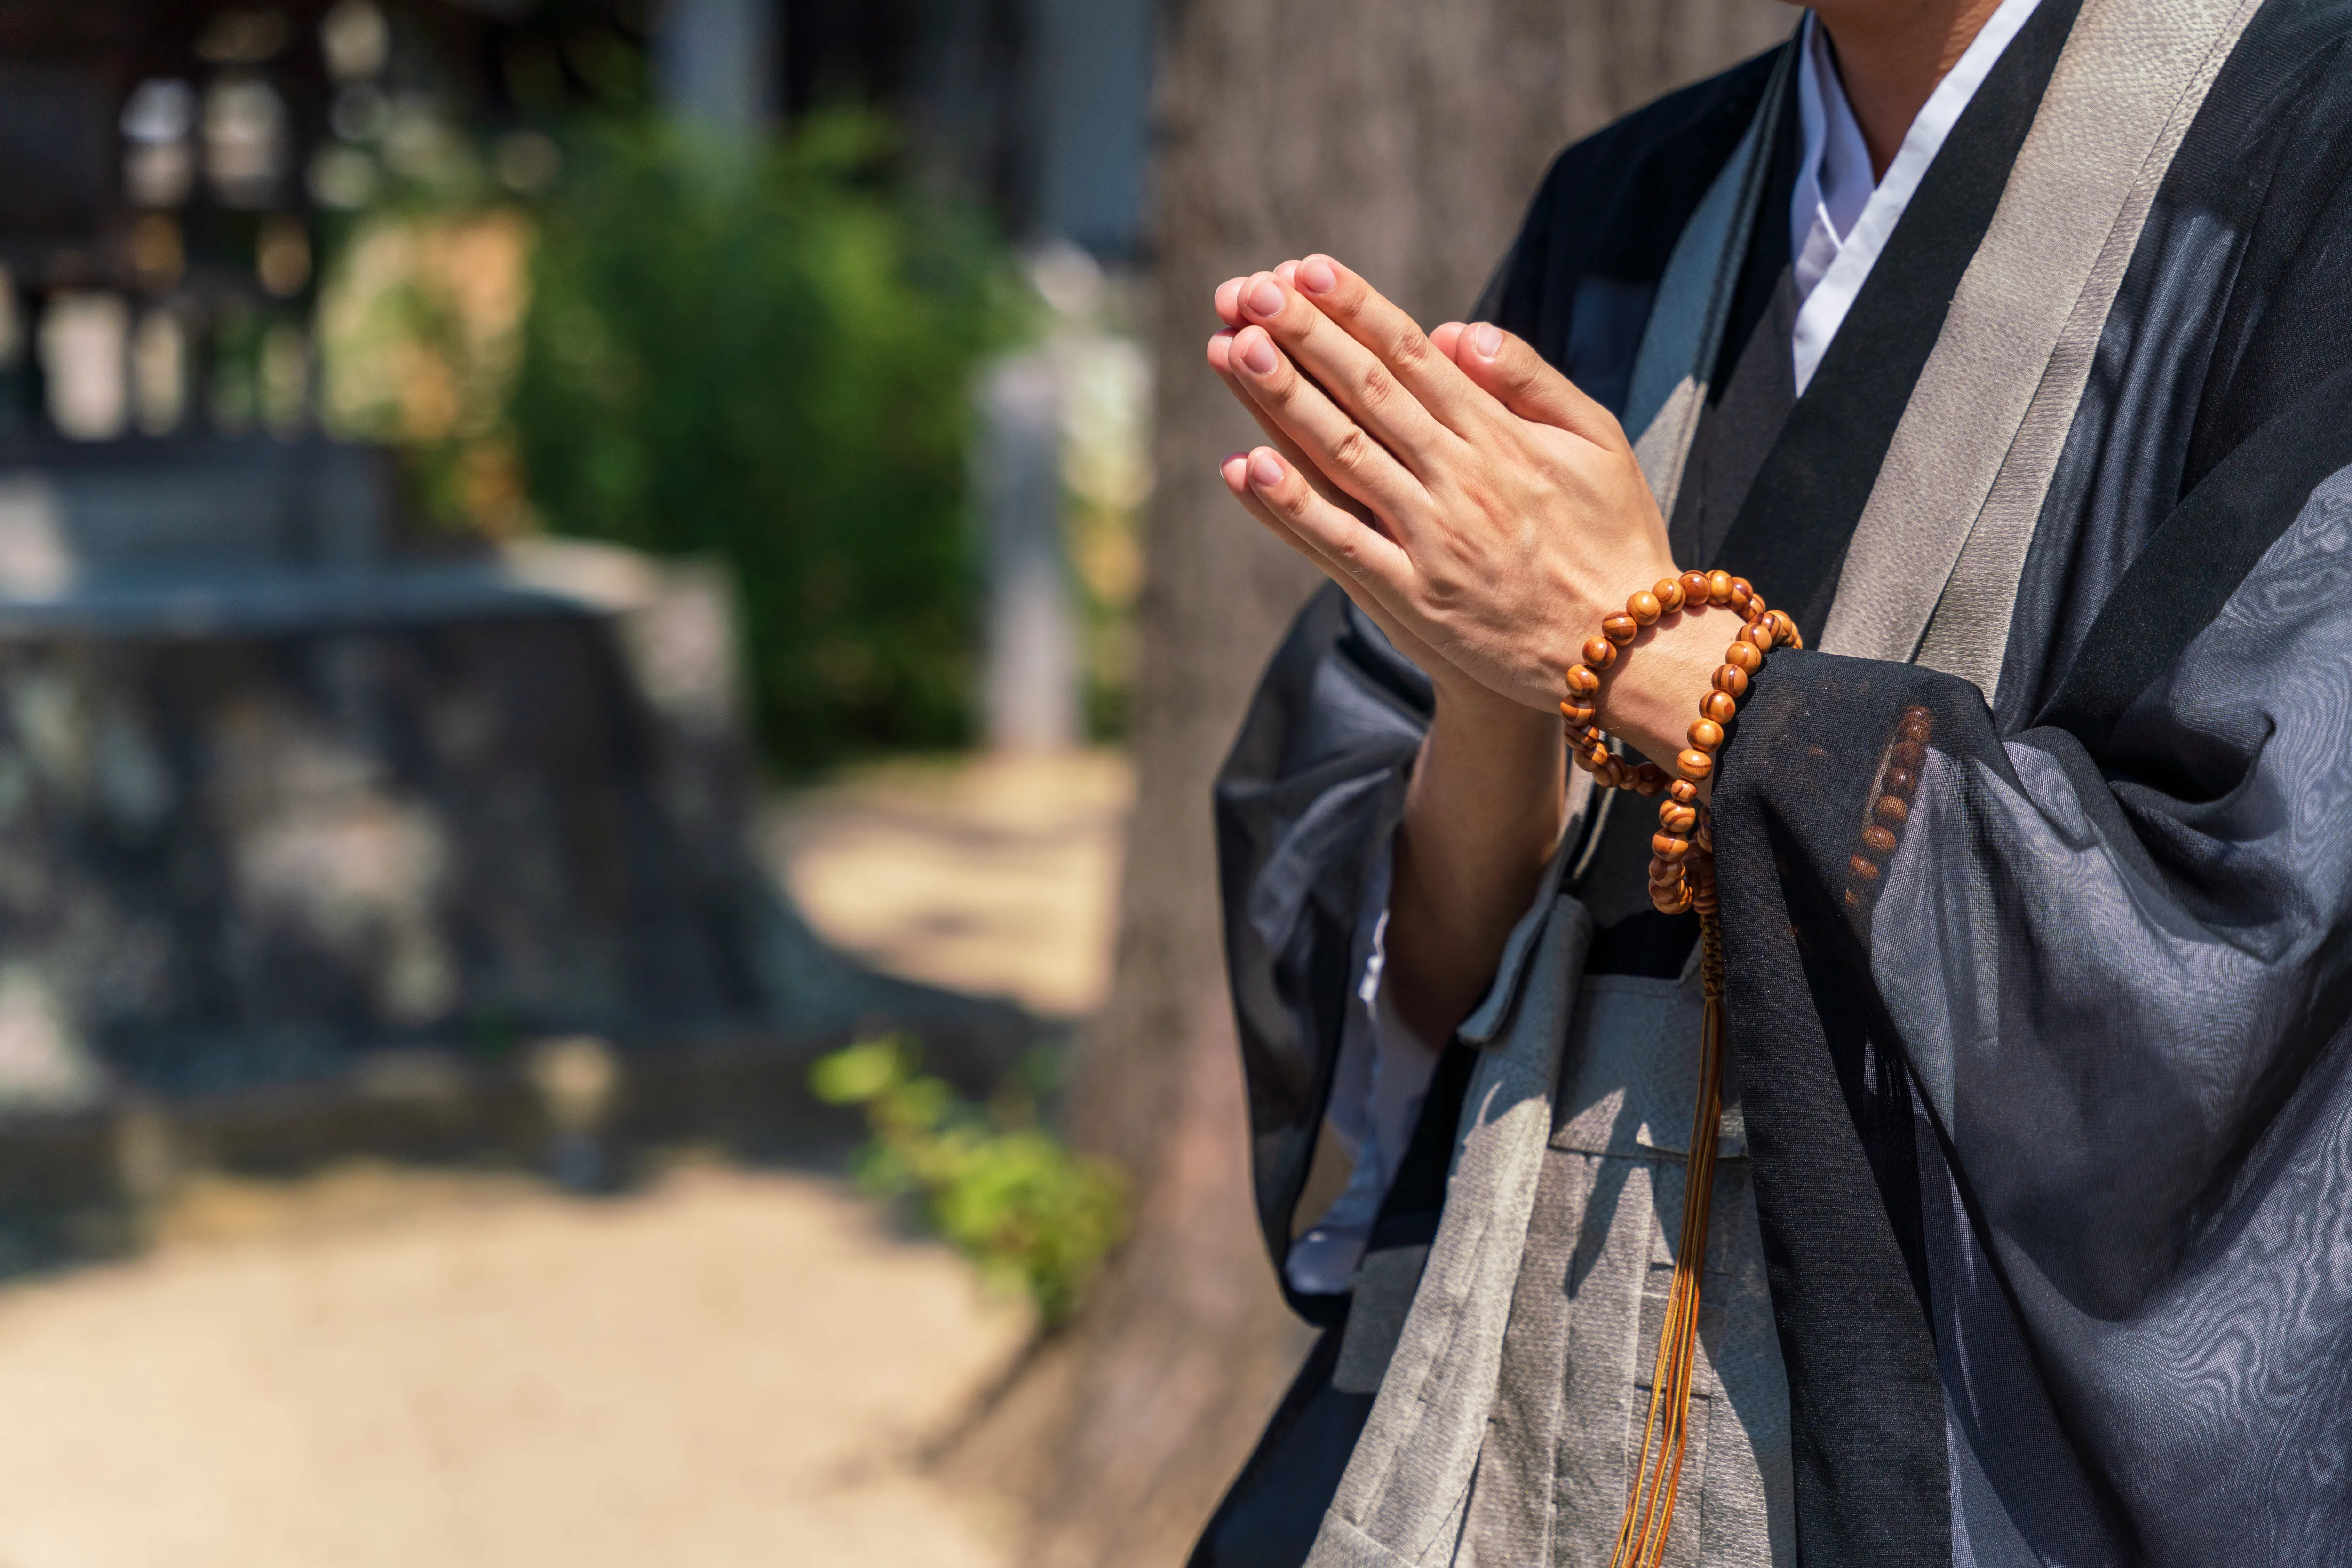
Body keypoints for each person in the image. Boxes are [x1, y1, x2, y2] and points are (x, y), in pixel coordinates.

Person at [1191, 0, 2352, 1562]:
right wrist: (1491, 671)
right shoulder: (1629, 209)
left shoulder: (2307, 138)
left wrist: (1647, 659)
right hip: (1517, 1376)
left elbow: (2252, 935)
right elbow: (1422, 966)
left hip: (1914, 1449)